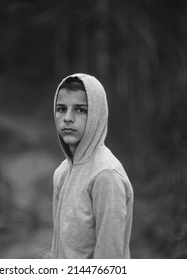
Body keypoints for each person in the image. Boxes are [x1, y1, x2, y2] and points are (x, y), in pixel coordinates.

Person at [51, 73, 134, 259]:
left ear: (97, 114)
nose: (68, 118)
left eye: (81, 110)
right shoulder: (61, 172)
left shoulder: (106, 176)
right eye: (61, 109)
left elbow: (109, 256)